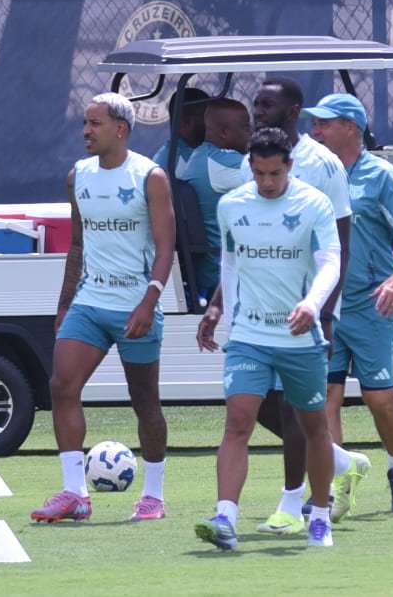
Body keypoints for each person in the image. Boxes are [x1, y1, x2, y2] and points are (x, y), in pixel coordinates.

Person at [31, 92, 176, 523]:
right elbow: (77, 244)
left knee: (145, 401)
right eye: (84, 123)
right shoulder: (79, 176)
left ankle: (153, 497)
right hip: (89, 303)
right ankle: (75, 494)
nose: (85, 131)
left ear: (121, 129)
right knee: (61, 386)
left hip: (136, 305)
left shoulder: (149, 176)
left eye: (95, 123)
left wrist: (149, 301)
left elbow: (167, 246)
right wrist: (63, 305)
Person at [194, 127, 341, 549]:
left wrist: (312, 304)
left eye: (274, 173)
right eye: (258, 173)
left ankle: (320, 516)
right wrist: (224, 314)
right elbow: (230, 262)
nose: (266, 182)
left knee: (314, 427)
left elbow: (331, 261)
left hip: (300, 337)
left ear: (289, 165)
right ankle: (225, 518)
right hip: (250, 336)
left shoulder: (314, 204)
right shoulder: (232, 206)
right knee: (238, 421)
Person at [247, 77, 368, 533]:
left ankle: (292, 504)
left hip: (309, 307)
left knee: (290, 406)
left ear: (293, 111)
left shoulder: (324, 165)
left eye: (267, 104)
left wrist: (327, 310)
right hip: (263, 305)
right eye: (256, 103)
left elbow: (342, 242)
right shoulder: (254, 159)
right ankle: (340, 461)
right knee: (252, 401)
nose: (258, 110)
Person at [305, 92, 393, 513]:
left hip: (374, 305)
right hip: (326, 307)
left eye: (323, 123)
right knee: (325, 395)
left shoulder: (381, 174)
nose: (314, 131)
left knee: (379, 399)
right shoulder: (312, 173)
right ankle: (333, 485)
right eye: (313, 123)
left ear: (350, 128)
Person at [181, 98, 251, 298]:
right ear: (224, 133)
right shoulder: (222, 165)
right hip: (221, 272)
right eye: (246, 127)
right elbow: (281, 177)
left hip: (216, 266)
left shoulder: (204, 156)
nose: (252, 132)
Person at [152, 87, 209, 179]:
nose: (213, 122)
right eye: (208, 117)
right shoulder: (168, 161)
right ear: (187, 123)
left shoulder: (205, 150)